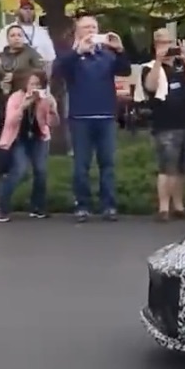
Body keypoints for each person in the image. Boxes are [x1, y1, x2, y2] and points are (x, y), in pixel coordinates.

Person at [55, 15, 130, 222]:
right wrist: (78, 51)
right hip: (80, 117)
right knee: (81, 165)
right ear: (77, 31)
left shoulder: (107, 54)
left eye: (94, 27)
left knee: (107, 164)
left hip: (106, 115)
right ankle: (82, 205)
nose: (90, 30)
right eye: (85, 27)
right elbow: (58, 71)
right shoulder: (70, 55)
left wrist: (120, 49)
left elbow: (125, 70)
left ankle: (109, 205)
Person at [141, 29, 185, 220]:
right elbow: (150, 86)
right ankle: (163, 208)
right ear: (156, 45)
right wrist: (159, 60)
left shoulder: (181, 64)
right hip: (166, 125)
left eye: (170, 42)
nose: (167, 46)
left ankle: (179, 206)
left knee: (183, 167)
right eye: (162, 42)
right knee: (167, 168)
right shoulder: (149, 67)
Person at [0, 69, 58, 222]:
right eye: (32, 84)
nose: (35, 87)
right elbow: (10, 122)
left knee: (41, 171)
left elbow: (53, 123)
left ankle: (38, 207)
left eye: (38, 84)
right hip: (18, 139)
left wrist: (53, 110)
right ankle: (1, 208)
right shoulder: (16, 97)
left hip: (38, 137)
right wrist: (24, 105)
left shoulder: (45, 98)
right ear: (25, 84)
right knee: (19, 170)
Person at [0, 24, 46, 133]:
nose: (16, 38)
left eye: (19, 35)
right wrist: (0, 85)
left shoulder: (32, 54)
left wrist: (16, 77)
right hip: (5, 103)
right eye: (12, 35)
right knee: (6, 137)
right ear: (7, 39)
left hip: (27, 104)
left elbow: (40, 73)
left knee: (25, 135)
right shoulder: (0, 57)